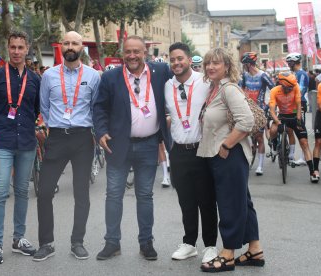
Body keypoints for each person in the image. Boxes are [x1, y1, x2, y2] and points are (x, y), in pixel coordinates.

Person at [93, 35, 171, 261]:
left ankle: (146, 243)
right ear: (122, 53)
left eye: (137, 51)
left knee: (145, 195)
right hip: (118, 145)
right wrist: (100, 132)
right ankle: (112, 242)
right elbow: (99, 108)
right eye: (128, 51)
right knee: (114, 195)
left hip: (148, 144)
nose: (132, 56)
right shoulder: (110, 77)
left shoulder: (161, 72)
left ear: (145, 52)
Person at [33, 31, 100, 262]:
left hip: (82, 138)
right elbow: (44, 106)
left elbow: (95, 108)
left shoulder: (93, 76)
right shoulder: (49, 76)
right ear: (61, 46)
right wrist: (57, 125)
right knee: (44, 192)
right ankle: (46, 243)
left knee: (81, 193)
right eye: (67, 42)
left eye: (75, 42)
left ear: (82, 47)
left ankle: (77, 242)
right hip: (57, 137)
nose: (70, 46)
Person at [198, 48, 264, 273]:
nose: (210, 67)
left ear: (227, 66)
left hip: (229, 154)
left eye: (216, 63)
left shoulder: (229, 89)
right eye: (208, 63)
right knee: (242, 202)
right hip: (225, 154)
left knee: (229, 204)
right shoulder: (214, 89)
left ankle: (227, 254)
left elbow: (245, 121)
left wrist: (226, 145)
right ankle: (255, 250)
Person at [0, 30, 40, 265]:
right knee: (0, 192)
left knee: (23, 192)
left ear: (27, 49)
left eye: (20, 47)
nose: (16, 51)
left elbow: (35, 109)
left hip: (26, 143)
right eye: (12, 47)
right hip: (2, 142)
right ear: (8, 48)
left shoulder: (35, 79)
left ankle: (19, 238)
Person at [165, 42, 218, 263]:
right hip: (178, 150)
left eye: (180, 58)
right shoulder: (166, 85)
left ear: (189, 59)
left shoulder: (205, 81)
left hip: (202, 149)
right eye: (173, 59)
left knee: (206, 200)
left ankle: (210, 246)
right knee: (185, 200)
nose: (176, 63)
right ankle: (189, 243)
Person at [268, 72, 318, 182]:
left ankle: (312, 172)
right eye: (288, 87)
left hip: (295, 116)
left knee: (304, 143)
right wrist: (279, 123)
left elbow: (299, 105)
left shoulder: (295, 87)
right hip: (282, 116)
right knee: (273, 130)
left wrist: (299, 120)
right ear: (282, 84)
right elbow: (272, 110)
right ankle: (275, 145)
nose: (290, 89)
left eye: (292, 87)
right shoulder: (274, 91)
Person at [240, 52, 274, 176]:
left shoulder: (263, 75)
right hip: (247, 109)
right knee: (247, 136)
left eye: (244, 64)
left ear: (249, 64)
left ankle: (260, 166)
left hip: (260, 110)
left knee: (259, 138)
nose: (243, 66)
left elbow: (274, 89)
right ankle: (249, 156)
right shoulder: (244, 75)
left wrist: (270, 105)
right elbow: (240, 89)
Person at [285, 53, 310, 166]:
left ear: (295, 62)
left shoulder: (302, 74)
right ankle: (291, 154)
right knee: (290, 129)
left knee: (300, 130)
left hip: (300, 104)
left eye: (290, 63)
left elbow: (301, 90)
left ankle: (304, 157)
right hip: (290, 105)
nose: (288, 64)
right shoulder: (293, 74)